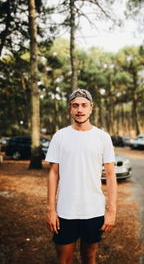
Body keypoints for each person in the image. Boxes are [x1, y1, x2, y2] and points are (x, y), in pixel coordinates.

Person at [45, 88, 117, 264]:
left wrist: (112, 210)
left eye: (84, 105)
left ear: (91, 108)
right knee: (64, 259)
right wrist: (51, 209)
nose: (80, 109)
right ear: (70, 108)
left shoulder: (102, 137)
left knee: (89, 257)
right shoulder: (60, 136)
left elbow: (110, 174)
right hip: (65, 211)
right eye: (75, 105)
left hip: (94, 210)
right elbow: (54, 173)